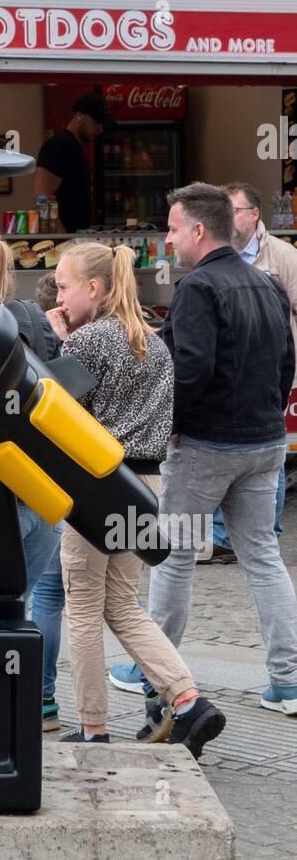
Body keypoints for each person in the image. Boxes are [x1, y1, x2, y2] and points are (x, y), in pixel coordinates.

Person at [47, 240, 226, 756]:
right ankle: (188, 699)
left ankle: (93, 726)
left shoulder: (89, 343)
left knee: (82, 606)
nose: (58, 296)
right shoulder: (154, 341)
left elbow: (57, 414)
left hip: (95, 484)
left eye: (64, 286)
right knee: (124, 604)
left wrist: (59, 345)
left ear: (94, 288)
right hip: (146, 485)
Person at [148, 182, 297, 716]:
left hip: (206, 446)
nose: (167, 240)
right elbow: (286, 364)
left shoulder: (196, 289)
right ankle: (289, 678)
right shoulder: (268, 284)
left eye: (170, 228)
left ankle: (154, 675)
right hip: (264, 440)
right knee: (262, 556)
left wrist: (169, 428)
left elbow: (190, 370)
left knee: (175, 556)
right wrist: (269, 416)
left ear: (198, 229)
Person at [0, 216, 67, 730]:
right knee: (16, 610)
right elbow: (68, 399)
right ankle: (19, 717)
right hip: (40, 494)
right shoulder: (30, 315)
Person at [204, 181, 297, 562]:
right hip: (227, 374)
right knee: (230, 450)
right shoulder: (218, 253)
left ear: (253, 215)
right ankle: (224, 536)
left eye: (234, 211)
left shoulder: (283, 256)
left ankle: (265, 532)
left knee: (268, 451)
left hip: (269, 369)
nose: (227, 218)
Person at [33, 94, 113, 234]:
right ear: (78, 116)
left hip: (75, 239)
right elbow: (42, 196)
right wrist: (63, 239)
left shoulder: (73, 146)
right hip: (66, 243)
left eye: (103, 125)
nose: (100, 129)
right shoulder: (60, 146)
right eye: (96, 122)